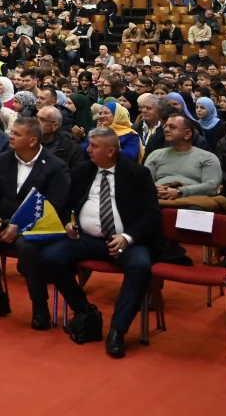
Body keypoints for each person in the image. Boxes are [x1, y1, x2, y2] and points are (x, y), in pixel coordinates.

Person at [43, 126, 173, 359]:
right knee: (50, 257)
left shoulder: (137, 174)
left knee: (140, 266)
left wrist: (128, 237)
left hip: (126, 242)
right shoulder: (83, 170)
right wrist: (68, 223)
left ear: (111, 151)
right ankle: (85, 310)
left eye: (94, 146)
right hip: (87, 239)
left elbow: (152, 214)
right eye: (89, 144)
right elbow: (66, 204)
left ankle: (118, 330)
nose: (88, 149)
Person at [0, 115, 70, 330]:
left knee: (26, 246)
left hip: (37, 226)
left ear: (32, 140)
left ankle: (39, 305)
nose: (10, 136)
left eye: (16, 134)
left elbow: (54, 205)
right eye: (11, 132)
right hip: (3, 220)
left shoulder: (55, 167)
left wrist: (19, 226)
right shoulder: (2, 160)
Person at [143, 114, 226, 211]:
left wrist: (180, 191)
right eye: (165, 126)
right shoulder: (155, 155)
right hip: (159, 198)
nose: (166, 130)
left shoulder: (207, 157)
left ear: (187, 134)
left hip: (192, 202)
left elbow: (211, 186)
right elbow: (145, 183)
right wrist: (157, 191)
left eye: (172, 127)